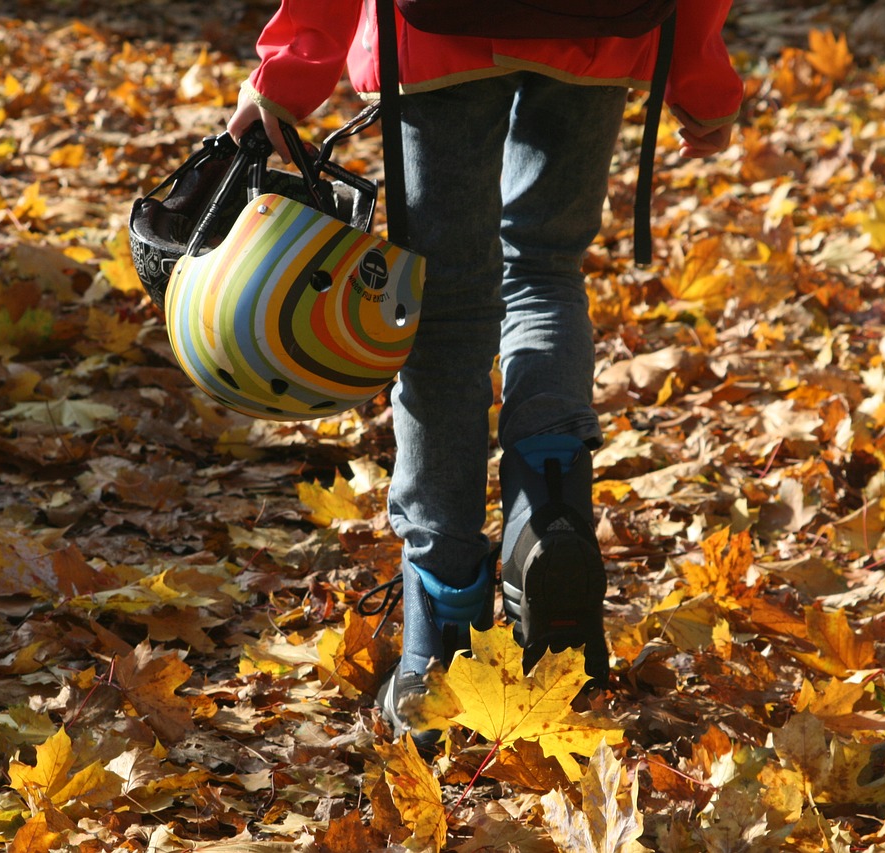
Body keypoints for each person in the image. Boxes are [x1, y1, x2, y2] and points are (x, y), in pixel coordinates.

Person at [226, 0, 742, 743]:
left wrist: (287, 72)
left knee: (446, 311)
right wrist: (701, 76)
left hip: (438, 34)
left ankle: (440, 632)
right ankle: (549, 514)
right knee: (544, 271)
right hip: (598, 24)